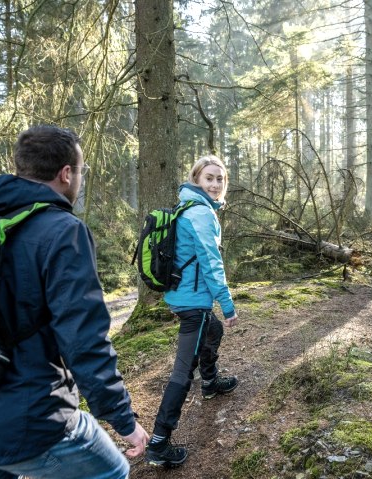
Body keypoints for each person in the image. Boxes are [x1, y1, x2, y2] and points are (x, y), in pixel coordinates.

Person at [0, 125, 149, 479]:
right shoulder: (63, 231)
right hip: (32, 419)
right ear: (67, 174)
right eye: (81, 171)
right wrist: (123, 419)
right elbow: (83, 340)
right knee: (112, 472)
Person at [146, 155, 239, 467]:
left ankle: (210, 382)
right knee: (183, 370)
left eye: (219, 179)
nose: (214, 185)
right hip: (193, 301)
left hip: (181, 295)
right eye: (209, 178)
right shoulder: (200, 213)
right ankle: (159, 442)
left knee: (213, 330)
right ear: (197, 179)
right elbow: (212, 264)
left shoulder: (188, 205)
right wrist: (226, 304)